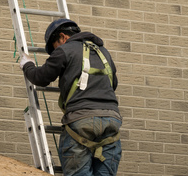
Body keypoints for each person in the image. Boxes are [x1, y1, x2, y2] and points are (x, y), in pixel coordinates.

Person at [20, 18, 122, 176]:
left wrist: (27, 65)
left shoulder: (65, 50)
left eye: (54, 48)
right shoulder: (104, 53)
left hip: (81, 121)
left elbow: (41, 78)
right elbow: (112, 84)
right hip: (112, 122)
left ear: (62, 37)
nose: (55, 52)